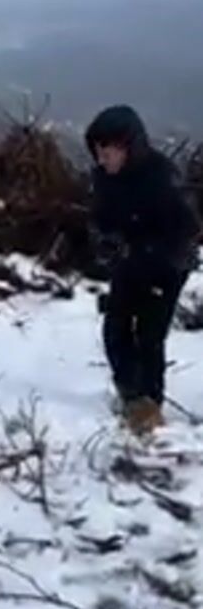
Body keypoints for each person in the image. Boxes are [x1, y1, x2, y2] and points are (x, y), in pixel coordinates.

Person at [85, 105, 199, 433]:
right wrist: (105, 241)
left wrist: (148, 254)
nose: (102, 160)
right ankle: (131, 395)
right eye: (97, 152)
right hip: (129, 262)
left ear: (129, 147)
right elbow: (100, 219)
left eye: (108, 152)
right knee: (115, 330)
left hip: (167, 268)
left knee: (149, 336)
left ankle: (149, 407)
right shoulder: (105, 179)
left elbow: (187, 232)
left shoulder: (163, 180)